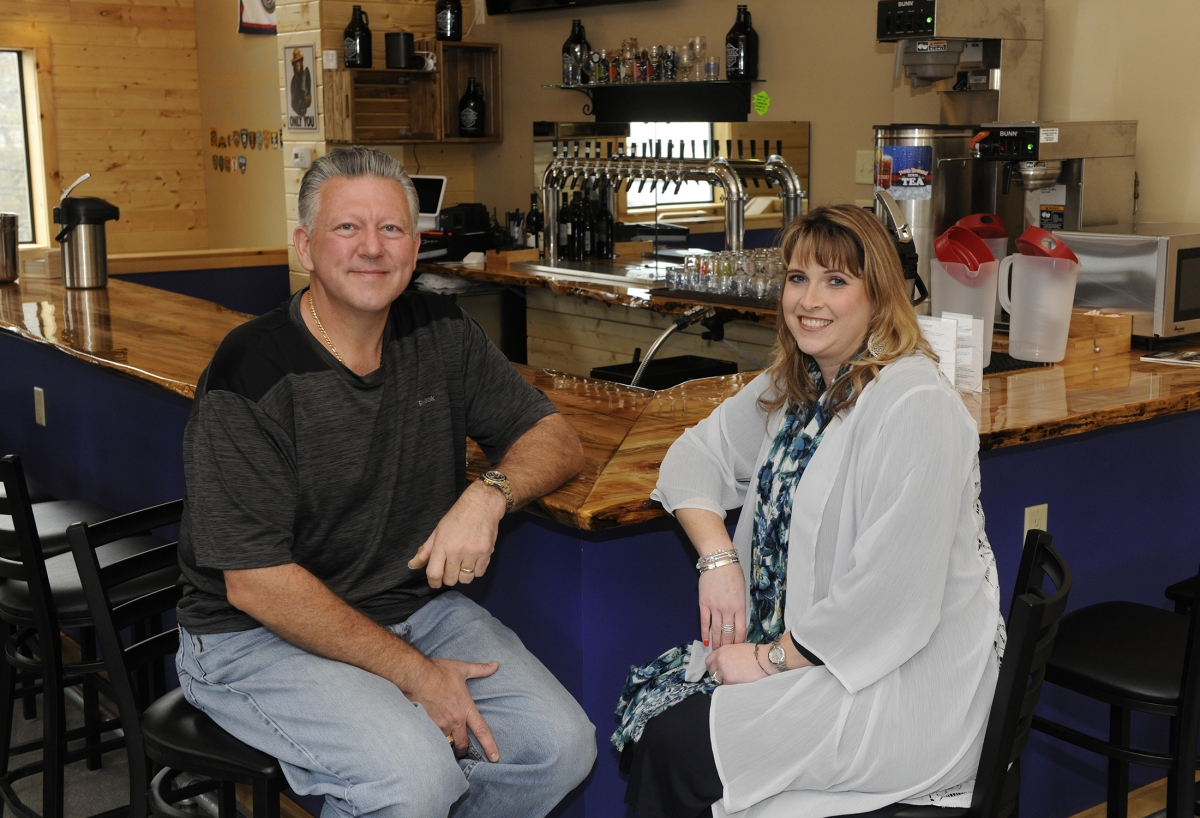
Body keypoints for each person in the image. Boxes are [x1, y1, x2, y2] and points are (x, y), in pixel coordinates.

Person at [175, 146, 596, 818]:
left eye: (392, 229)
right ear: (306, 247)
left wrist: (488, 494)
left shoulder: (439, 330)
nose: (372, 249)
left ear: (416, 245)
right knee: (415, 781)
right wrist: (415, 675)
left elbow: (555, 439)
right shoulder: (250, 371)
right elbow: (255, 582)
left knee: (558, 746)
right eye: (347, 228)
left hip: (408, 607)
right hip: (249, 636)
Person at [613, 204, 1004, 818]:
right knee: (662, 725)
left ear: (879, 297)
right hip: (819, 662)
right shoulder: (800, 385)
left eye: (836, 281)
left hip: (895, 689)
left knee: (674, 746)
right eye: (798, 278)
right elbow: (692, 457)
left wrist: (766, 660)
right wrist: (718, 560)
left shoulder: (915, 404)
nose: (809, 299)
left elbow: (890, 598)